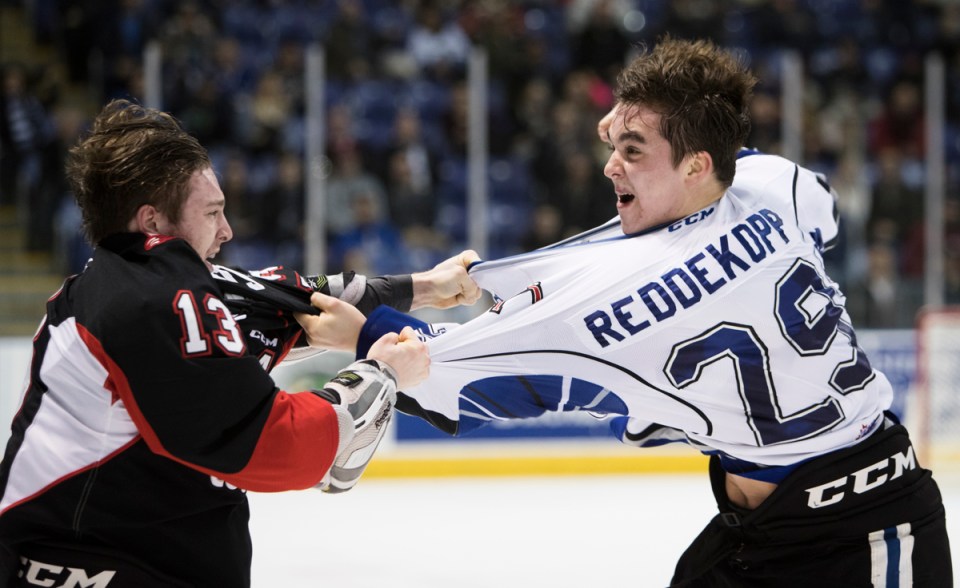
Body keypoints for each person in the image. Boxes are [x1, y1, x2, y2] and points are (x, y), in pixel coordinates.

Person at [359, 38, 952, 586]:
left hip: (865, 535)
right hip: (788, 523)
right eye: (615, 145)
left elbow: (465, 374)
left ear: (695, 166)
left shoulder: (623, 291)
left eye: (631, 150)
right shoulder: (771, 184)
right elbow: (817, 202)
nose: (611, 164)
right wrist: (678, 139)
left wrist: (366, 328)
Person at [0, 99, 480, 588]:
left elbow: (294, 296)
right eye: (212, 213)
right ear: (153, 223)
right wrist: (384, 373)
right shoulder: (150, 302)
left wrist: (426, 286)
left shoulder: (129, 281)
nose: (227, 231)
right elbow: (280, 447)